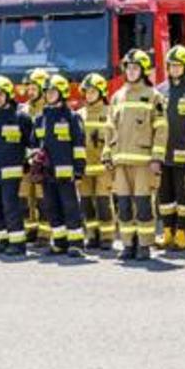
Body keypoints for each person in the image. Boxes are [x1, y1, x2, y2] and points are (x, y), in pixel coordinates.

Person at [107, 50, 166, 261]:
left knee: (143, 205)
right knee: (123, 205)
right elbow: (109, 128)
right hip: (121, 161)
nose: (131, 72)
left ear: (143, 71)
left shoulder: (154, 96)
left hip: (144, 161)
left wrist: (157, 157)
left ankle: (144, 246)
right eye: (128, 68)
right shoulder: (117, 97)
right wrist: (108, 153)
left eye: (135, 68)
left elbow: (161, 128)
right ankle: (128, 244)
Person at [33, 75, 88, 257]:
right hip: (47, 173)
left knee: (70, 208)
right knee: (52, 207)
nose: (49, 95)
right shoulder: (41, 118)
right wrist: (35, 159)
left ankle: (76, 244)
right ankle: (59, 242)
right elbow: (34, 144)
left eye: (53, 92)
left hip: (66, 173)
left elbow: (79, 146)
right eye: (47, 92)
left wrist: (79, 170)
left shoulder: (71, 117)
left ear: (62, 93)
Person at [0, 77, 34, 256]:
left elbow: (31, 143)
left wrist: (27, 161)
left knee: (10, 206)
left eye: (1, 94)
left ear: (8, 95)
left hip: (11, 170)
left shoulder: (20, 117)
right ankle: (3, 240)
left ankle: (18, 243)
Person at [156, 45, 185, 251]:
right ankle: (167, 233)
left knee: (184, 198)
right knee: (164, 197)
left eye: (177, 66)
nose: (173, 69)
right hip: (163, 153)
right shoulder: (160, 91)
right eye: (171, 65)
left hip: (184, 154)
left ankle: (183, 233)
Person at [77, 73, 116, 252]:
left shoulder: (109, 113)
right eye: (87, 92)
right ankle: (92, 236)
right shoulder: (79, 115)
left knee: (103, 203)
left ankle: (107, 237)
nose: (89, 95)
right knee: (86, 203)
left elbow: (115, 139)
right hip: (85, 167)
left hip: (103, 168)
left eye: (93, 91)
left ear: (101, 92)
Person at [16, 68, 50, 247]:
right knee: (25, 197)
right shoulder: (23, 109)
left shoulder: (49, 109)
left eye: (34, 88)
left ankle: (45, 233)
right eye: (28, 88)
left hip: (42, 162)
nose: (30, 91)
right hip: (25, 161)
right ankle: (30, 230)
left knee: (42, 198)